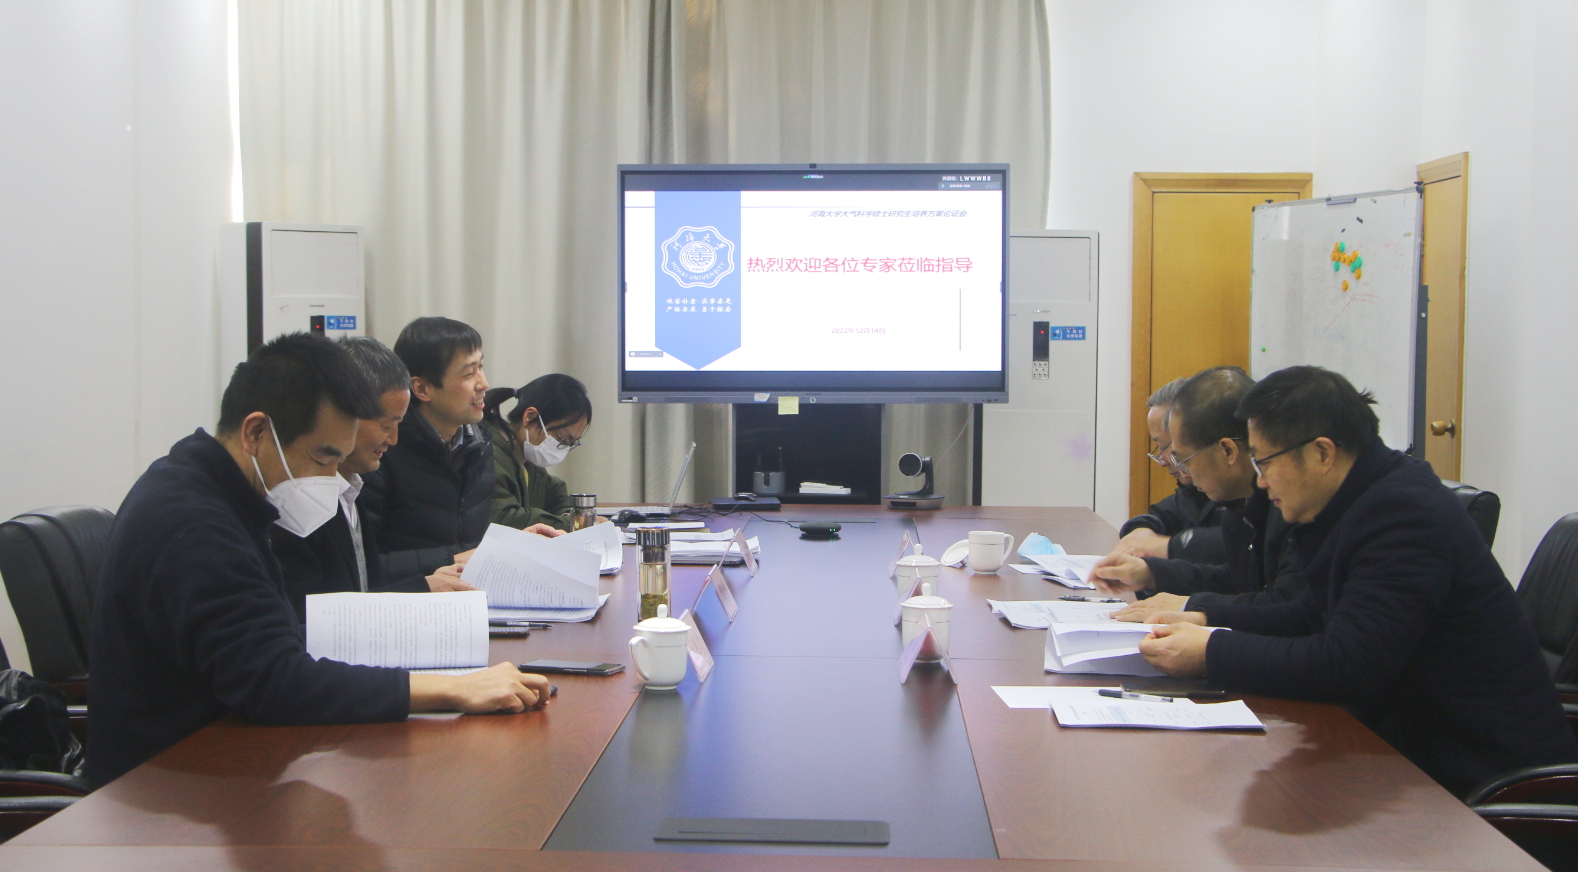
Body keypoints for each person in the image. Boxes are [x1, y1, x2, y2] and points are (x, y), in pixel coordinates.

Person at [87, 333, 551, 787]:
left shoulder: (218, 489)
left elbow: (280, 638)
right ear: (256, 432)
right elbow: (273, 679)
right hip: (167, 782)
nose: (334, 480)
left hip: (223, 752)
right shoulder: (192, 521)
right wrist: (455, 688)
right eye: (324, 459)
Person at [1127, 366, 1578, 796]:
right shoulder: (1350, 503)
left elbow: (1349, 665)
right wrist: (1203, 619)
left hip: (1479, 779)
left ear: (1321, 453)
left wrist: (1212, 651)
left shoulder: (1404, 515)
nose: (1260, 484)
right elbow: (1309, 613)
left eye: (1265, 464)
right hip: (1408, 747)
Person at [271, 337, 478, 623]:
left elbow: (367, 588)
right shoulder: (302, 494)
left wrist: (428, 584)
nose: (393, 439)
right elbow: (308, 616)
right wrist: (420, 588)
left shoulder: (352, 485)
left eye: (399, 424)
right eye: (385, 425)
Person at [1095, 366, 1304, 617]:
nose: (1184, 472)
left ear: (1228, 451)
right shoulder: (1239, 505)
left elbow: (1287, 610)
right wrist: (1150, 573)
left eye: (1184, 459)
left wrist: (1195, 612)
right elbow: (1239, 580)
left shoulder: (1290, 507)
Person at [362, 317, 496, 580]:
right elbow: (365, 566)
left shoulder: (479, 444)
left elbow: (471, 542)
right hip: (411, 598)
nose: (483, 384)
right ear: (422, 388)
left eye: (481, 367)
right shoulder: (382, 452)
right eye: (469, 373)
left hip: (467, 592)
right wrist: (452, 560)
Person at [1114, 377, 1227, 564]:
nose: (1162, 461)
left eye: (1163, 446)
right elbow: (1164, 513)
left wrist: (1169, 547)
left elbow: (1234, 546)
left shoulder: (1237, 491)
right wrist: (1141, 530)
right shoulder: (1193, 490)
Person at [483, 374, 594, 532]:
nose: (564, 448)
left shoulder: (527, 461)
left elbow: (556, 496)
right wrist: (577, 523)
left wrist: (572, 515)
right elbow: (508, 520)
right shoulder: (487, 457)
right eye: (562, 439)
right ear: (530, 417)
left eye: (572, 443)